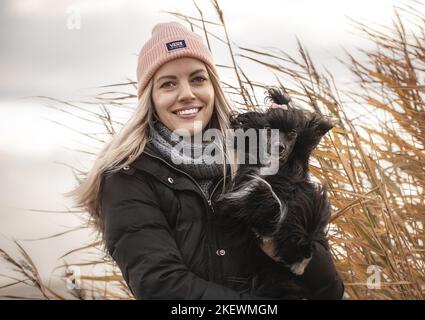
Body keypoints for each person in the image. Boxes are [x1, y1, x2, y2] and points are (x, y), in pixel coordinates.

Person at [70, 21, 344, 300]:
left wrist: (287, 243)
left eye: (197, 78)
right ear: (150, 99)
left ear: (213, 87)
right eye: (168, 84)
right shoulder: (129, 177)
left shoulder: (258, 155)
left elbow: (329, 289)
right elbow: (161, 286)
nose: (187, 93)